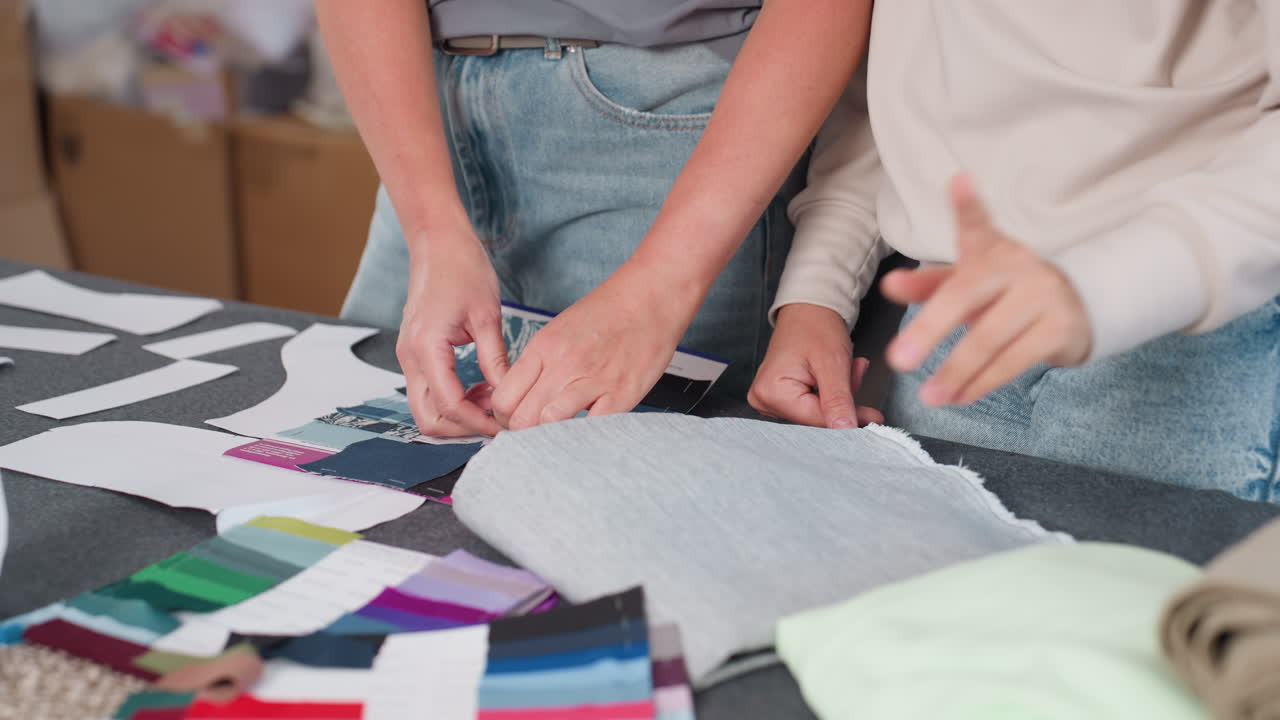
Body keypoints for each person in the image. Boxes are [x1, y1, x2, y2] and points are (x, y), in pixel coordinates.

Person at [750, 1, 1280, 501]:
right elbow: (899, 68)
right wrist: (817, 293)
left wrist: (1112, 284)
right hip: (948, 322)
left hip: (1184, 331)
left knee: (1124, 596)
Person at [314, 0, 879, 438]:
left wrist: (657, 288)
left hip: (668, 130)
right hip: (423, 124)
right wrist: (431, 227)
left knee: (641, 521)